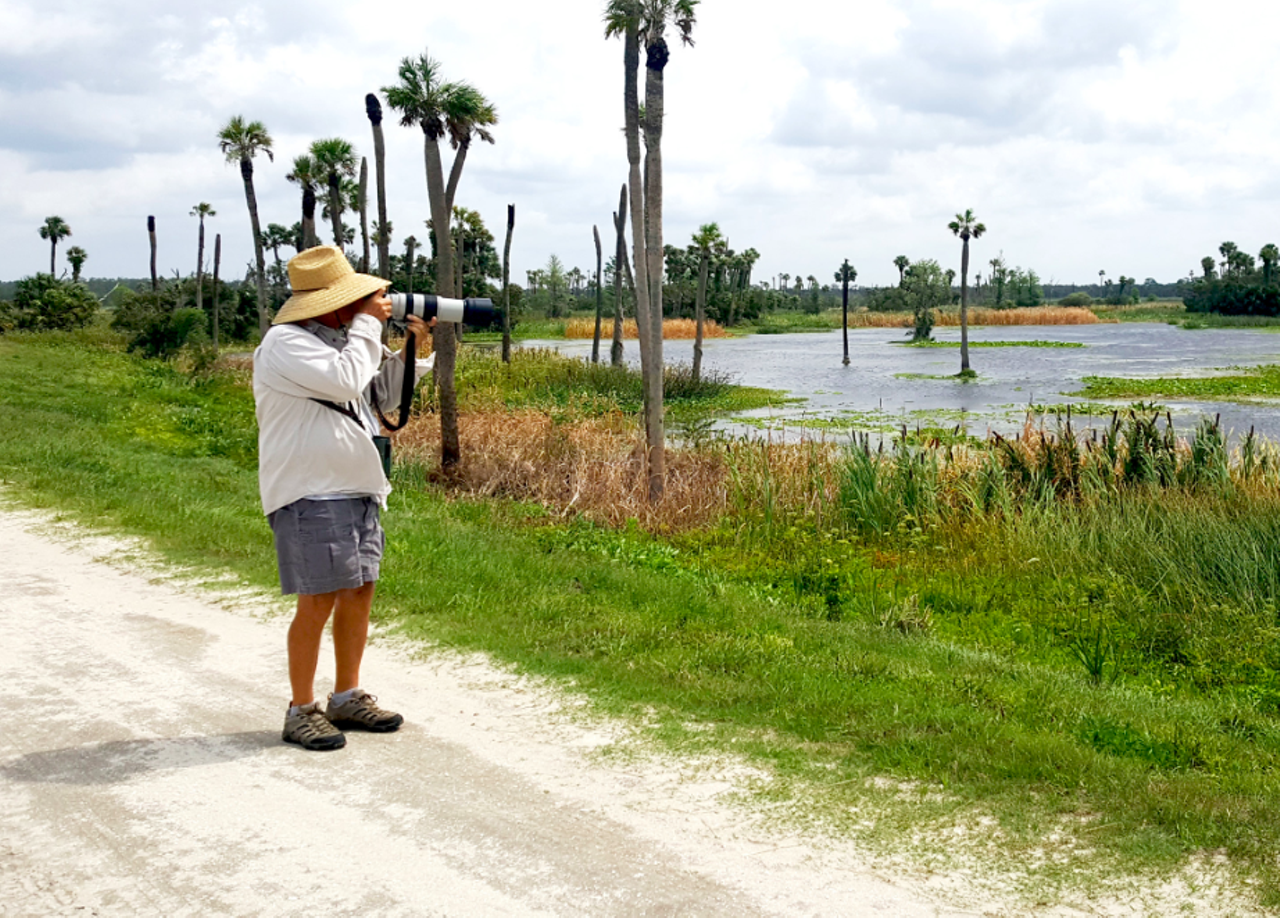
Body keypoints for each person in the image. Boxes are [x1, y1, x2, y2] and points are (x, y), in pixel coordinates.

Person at [253, 246, 434, 751]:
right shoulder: (285, 344)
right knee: (318, 599)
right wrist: (368, 328)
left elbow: (377, 397)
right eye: (359, 299)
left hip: (357, 484)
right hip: (310, 489)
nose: (371, 306)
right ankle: (301, 709)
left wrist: (412, 350)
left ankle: (347, 695)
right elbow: (345, 379)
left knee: (359, 591)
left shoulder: (339, 341)